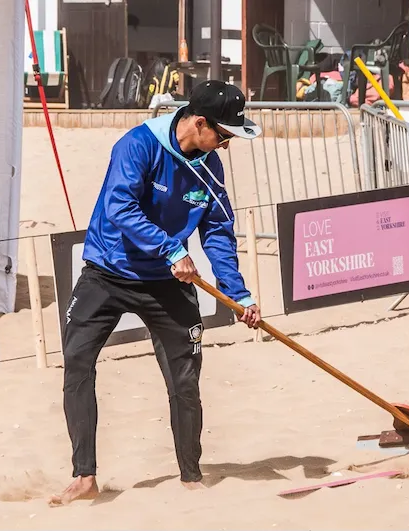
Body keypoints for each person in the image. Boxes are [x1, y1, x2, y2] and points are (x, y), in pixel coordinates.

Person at [49, 80, 263, 505]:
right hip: (108, 271)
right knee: (76, 362)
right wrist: (171, 248)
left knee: (185, 380)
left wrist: (238, 294)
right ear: (198, 123)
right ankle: (84, 475)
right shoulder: (138, 145)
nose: (225, 145)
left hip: (168, 284)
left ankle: (190, 475)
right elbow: (119, 206)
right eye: (223, 135)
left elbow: (217, 231)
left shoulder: (209, 165)